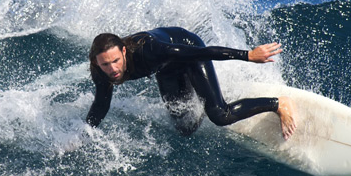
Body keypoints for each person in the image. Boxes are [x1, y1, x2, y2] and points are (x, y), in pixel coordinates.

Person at [86, 27, 297, 139]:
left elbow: (201, 52)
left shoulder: (148, 51)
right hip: (166, 68)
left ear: (123, 51)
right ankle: (209, 98)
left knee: (220, 116)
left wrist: (248, 55)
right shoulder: (100, 71)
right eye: (105, 64)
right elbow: (101, 104)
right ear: (96, 62)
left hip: (187, 49)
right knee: (184, 128)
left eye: (115, 61)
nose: (112, 69)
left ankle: (278, 103)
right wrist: (86, 132)